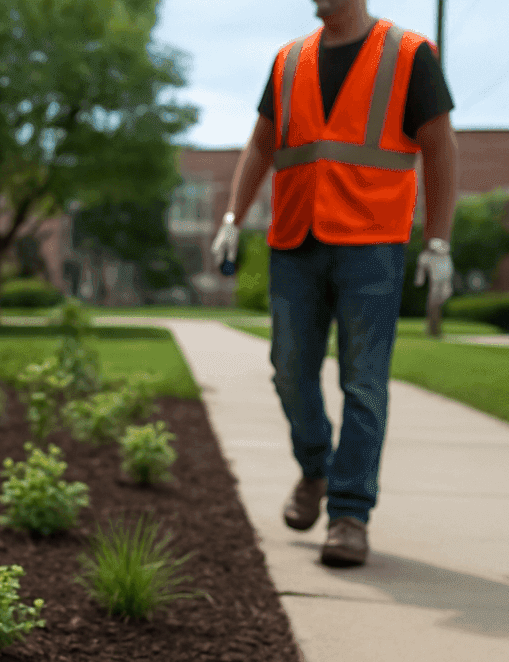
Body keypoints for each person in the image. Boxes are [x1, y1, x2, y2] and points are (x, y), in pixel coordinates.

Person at [211, 0, 457, 567]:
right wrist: (232, 215)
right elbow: (261, 144)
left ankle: (349, 514)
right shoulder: (288, 60)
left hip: (372, 245)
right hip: (294, 240)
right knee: (289, 368)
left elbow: (440, 146)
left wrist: (438, 240)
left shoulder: (408, 54)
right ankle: (316, 467)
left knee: (363, 383)